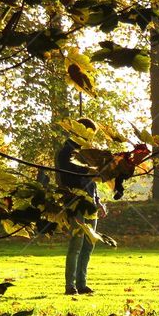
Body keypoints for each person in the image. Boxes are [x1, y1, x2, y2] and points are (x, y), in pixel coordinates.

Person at [56, 117, 106, 296]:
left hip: (90, 203)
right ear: (81, 131)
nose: (91, 138)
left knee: (88, 244)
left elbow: (92, 181)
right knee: (76, 243)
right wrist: (88, 170)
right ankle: (70, 286)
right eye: (89, 134)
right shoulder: (66, 150)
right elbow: (67, 168)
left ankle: (82, 283)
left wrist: (98, 201)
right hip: (75, 201)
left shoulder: (86, 152)